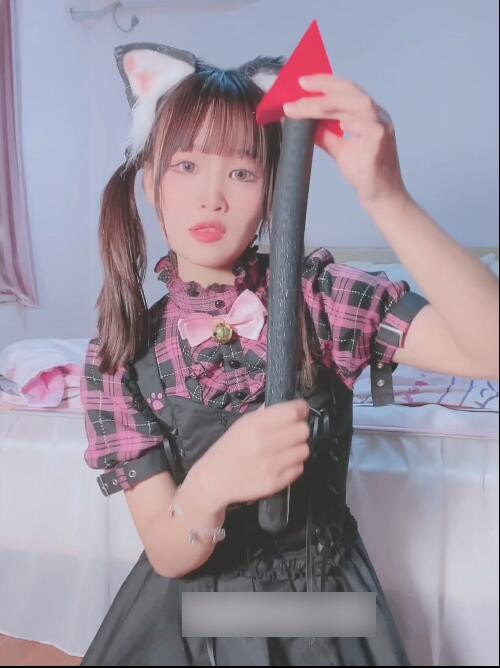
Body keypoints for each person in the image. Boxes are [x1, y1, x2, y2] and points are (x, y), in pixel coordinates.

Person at [79, 42, 499, 666]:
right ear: (150, 183)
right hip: (186, 618)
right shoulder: (120, 354)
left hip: (320, 609)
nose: (212, 196)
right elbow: (168, 554)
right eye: (187, 165)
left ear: (274, 189)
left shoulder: (320, 298)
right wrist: (212, 485)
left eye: (242, 172)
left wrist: (387, 197)